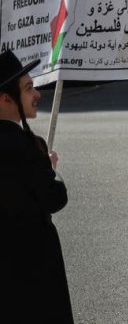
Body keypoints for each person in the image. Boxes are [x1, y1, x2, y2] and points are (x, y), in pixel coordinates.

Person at [0, 49, 73, 322]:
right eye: (29, 88)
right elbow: (55, 198)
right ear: (6, 98)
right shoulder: (28, 147)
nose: (37, 95)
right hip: (34, 274)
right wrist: (51, 169)